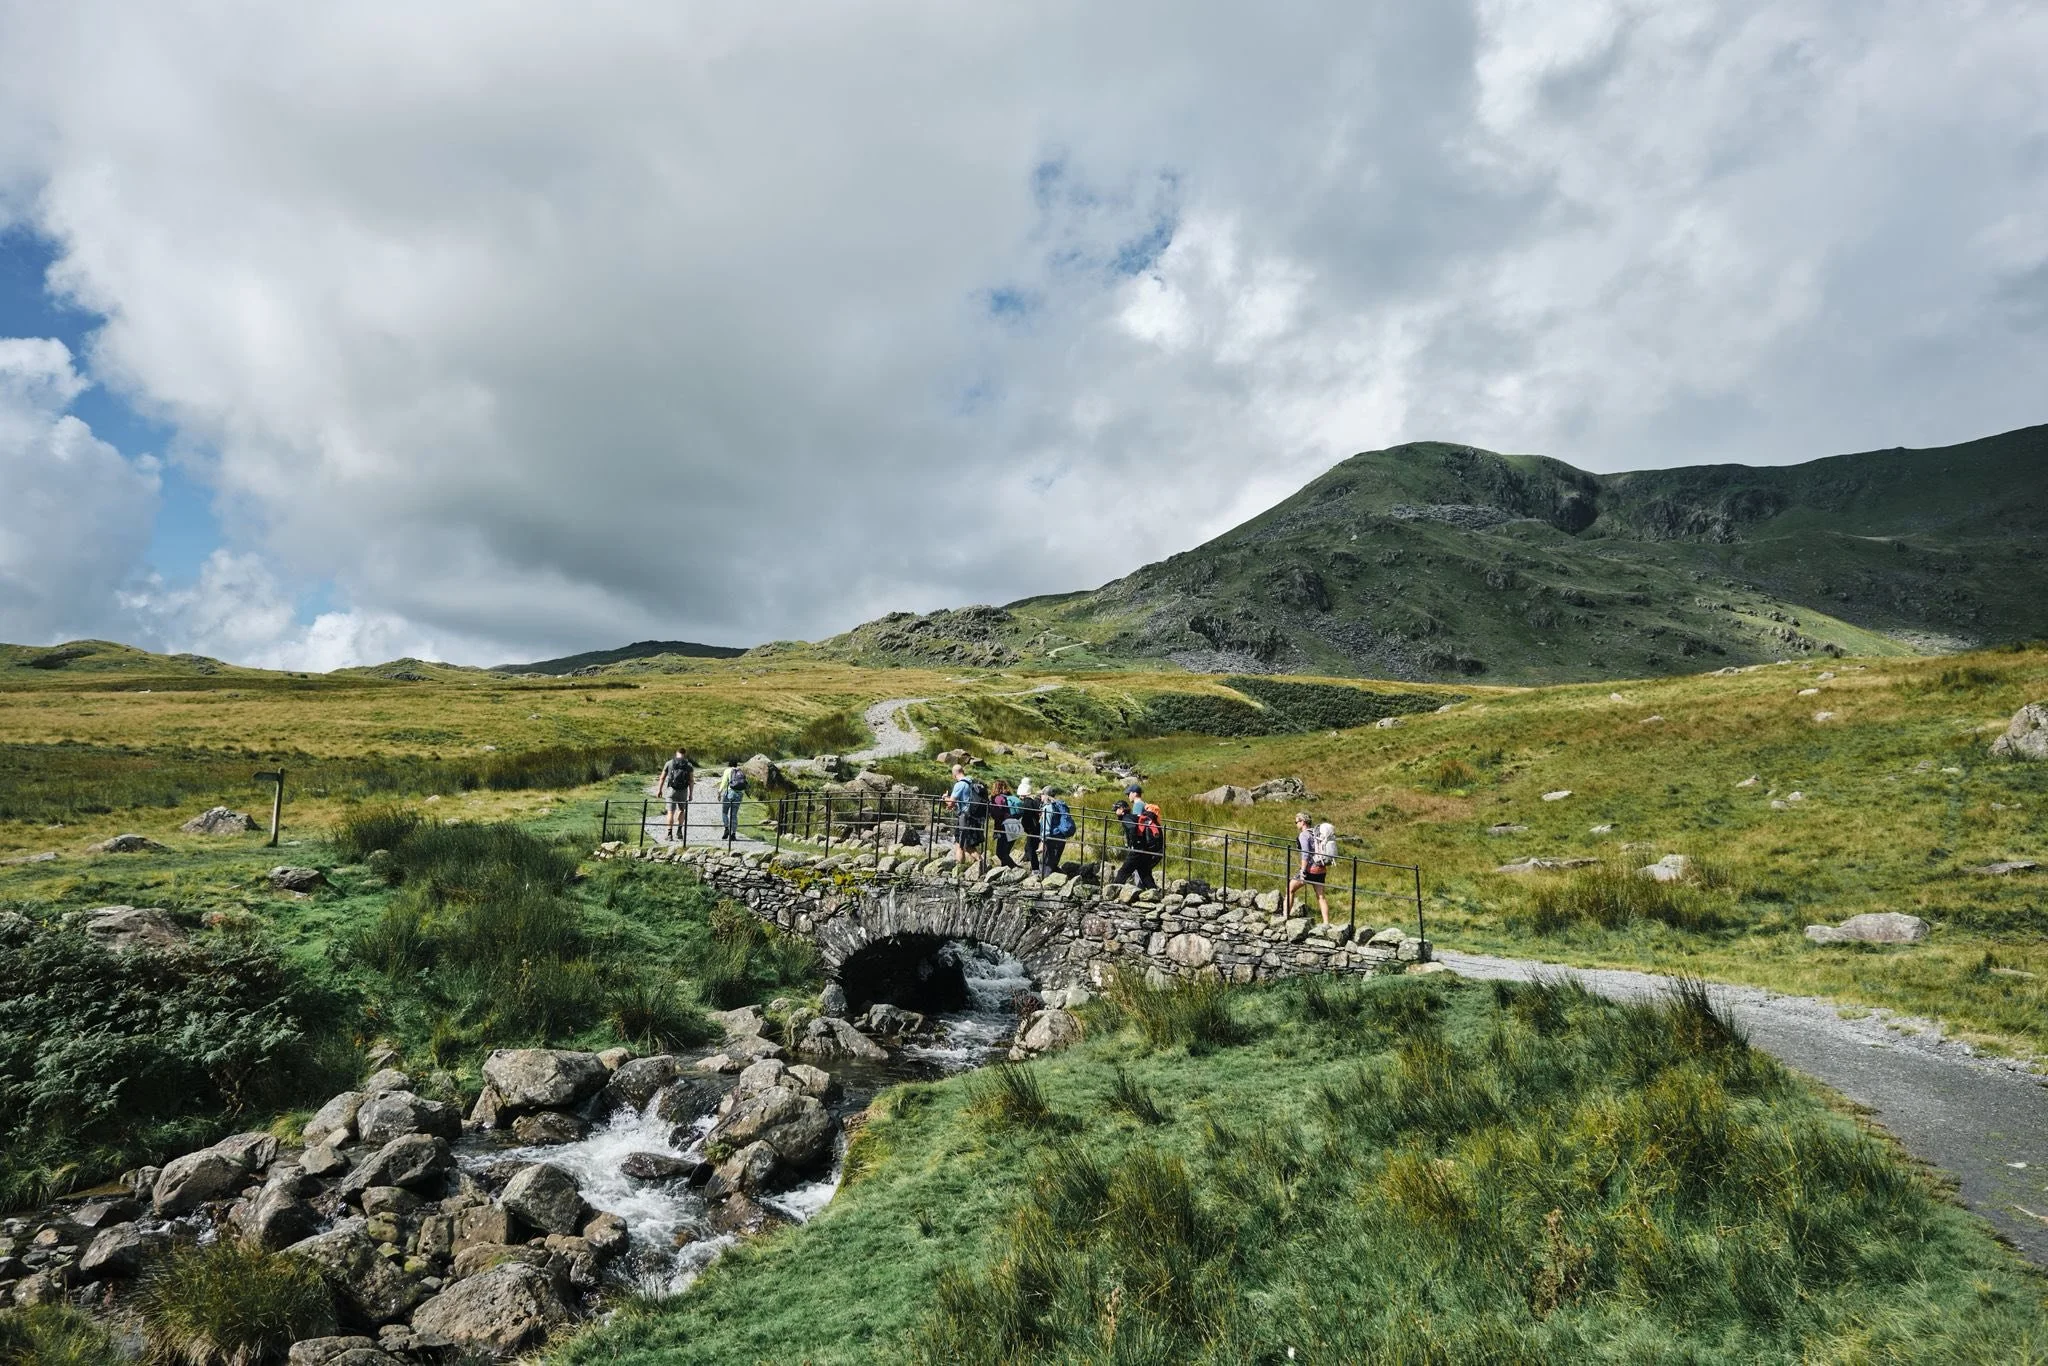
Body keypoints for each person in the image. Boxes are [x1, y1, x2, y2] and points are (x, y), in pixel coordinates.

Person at [1286, 812, 1331, 922]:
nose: (1296, 824)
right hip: (1321, 869)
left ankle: (1285, 917)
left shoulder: (1304, 835)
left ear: (1303, 822)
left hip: (1310, 869)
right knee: (1321, 896)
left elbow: (1305, 854)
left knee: (1290, 889)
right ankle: (1326, 923)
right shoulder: (1316, 833)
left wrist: (1302, 870)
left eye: (1296, 822)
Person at [947, 764, 985, 873]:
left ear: (954, 774)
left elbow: (950, 803)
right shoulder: (971, 782)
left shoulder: (960, 785)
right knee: (960, 843)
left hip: (965, 818)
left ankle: (981, 864)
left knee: (965, 845)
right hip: (974, 817)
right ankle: (959, 869)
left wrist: (945, 797)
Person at [658, 748, 695, 841]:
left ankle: (669, 834)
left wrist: (659, 790)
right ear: (684, 754)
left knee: (670, 812)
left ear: (676, 753)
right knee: (682, 810)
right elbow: (691, 781)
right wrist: (691, 794)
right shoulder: (689, 765)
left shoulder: (669, 763)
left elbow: (662, 777)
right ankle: (679, 830)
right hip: (683, 791)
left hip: (671, 790)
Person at [1037, 786, 1073, 874]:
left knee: (1046, 865)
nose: (1040, 796)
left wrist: (1043, 842)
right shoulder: (1059, 805)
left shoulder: (1048, 808)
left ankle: (1045, 883)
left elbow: (1047, 826)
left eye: (1041, 794)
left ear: (1046, 795)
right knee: (1053, 862)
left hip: (1052, 838)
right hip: (1061, 837)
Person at [990, 779, 1019, 868]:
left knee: (1000, 853)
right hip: (1015, 826)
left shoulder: (998, 798)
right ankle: (1006, 870)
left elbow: (998, 815)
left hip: (1006, 827)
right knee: (1005, 853)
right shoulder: (1009, 797)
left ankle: (1016, 869)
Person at [1016, 778, 1043, 872]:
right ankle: (1028, 863)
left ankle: (1035, 869)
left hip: (1032, 828)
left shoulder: (1027, 802)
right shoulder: (1032, 801)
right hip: (1035, 827)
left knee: (1031, 848)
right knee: (1029, 846)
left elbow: (1027, 816)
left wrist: (1025, 826)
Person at [719, 759, 748, 841]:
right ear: (736, 764)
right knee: (734, 814)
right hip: (739, 795)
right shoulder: (740, 771)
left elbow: (724, 782)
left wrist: (719, 792)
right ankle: (733, 834)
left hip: (729, 794)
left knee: (724, 812)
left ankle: (726, 828)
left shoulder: (727, 770)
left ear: (729, 764)